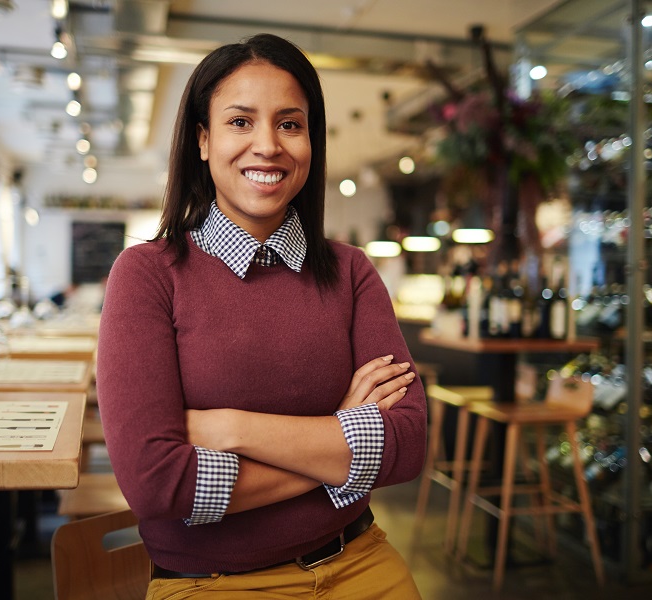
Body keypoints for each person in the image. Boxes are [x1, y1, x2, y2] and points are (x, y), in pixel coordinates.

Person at [97, 33, 426, 599]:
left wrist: (231, 428)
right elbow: (157, 485)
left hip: (362, 565)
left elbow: (407, 443)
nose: (268, 145)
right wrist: (342, 447)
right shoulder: (148, 273)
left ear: (311, 141)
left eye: (290, 124)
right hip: (213, 586)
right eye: (240, 122)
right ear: (203, 140)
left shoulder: (351, 272)